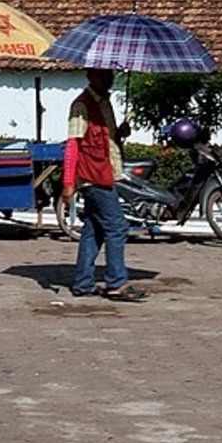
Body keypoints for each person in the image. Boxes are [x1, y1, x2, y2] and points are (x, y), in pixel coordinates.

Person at [63, 67, 143, 302]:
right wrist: (69, 183)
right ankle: (116, 283)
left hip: (105, 173)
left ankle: (83, 282)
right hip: (93, 177)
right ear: (90, 75)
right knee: (117, 227)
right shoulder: (81, 105)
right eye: (102, 74)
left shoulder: (105, 103)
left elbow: (106, 139)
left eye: (110, 74)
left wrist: (120, 133)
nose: (108, 78)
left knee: (93, 230)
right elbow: (73, 145)